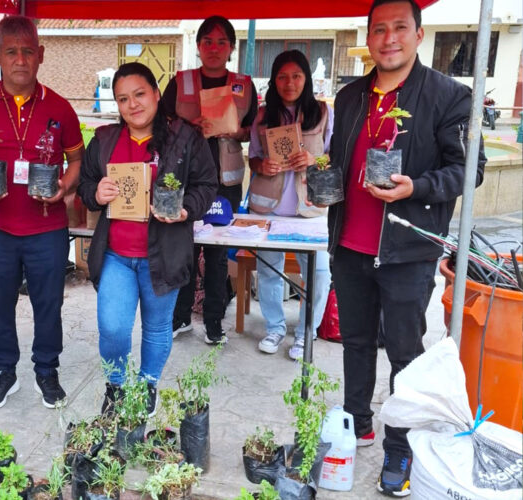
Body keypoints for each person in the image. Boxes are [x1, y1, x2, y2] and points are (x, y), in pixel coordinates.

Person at [327, 0, 485, 496]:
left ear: (419, 34)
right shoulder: (351, 96)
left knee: (403, 352)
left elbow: (468, 169)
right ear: (368, 38)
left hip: (407, 249)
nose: (389, 38)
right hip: (350, 244)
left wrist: (414, 187)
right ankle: (357, 423)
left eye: (400, 28)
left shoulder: (447, 96)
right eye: (379, 29)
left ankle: (400, 444)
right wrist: (322, 178)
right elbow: (340, 160)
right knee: (353, 342)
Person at [0, 16, 84, 411]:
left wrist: (66, 186)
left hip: (47, 227)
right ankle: (3, 373)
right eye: (11, 51)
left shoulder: (59, 107)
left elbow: (76, 159)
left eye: (28, 51)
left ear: (40, 55)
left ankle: (46, 370)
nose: (20, 59)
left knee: (48, 304)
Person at [78, 62, 217, 415]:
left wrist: (186, 208)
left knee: (156, 327)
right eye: (123, 99)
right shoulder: (105, 139)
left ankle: (148, 383)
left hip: (164, 254)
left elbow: (206, 186)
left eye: (140, 94)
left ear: (156, 94)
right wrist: (97, 191)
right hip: (116, 255)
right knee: (113, 327)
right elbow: (84, 185)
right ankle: (117, 385)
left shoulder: (185, 138)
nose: (133, 105)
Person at [162, 15, 258, 345]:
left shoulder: (243, 84)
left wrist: (237, 131)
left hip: (225, 182)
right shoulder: (181, 82)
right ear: (199, 46)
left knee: (217, 253)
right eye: (207, 41)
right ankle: (181, 316)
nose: (214, 48)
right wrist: (188, 126)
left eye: (221, 42)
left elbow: (255, 130)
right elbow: (162, 122)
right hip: (185, 180)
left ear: (231, 47)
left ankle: (214, 321)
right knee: (184, 248)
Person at [247, 50, 333, 361]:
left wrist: (314, 160)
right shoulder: (262, 116)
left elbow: (333, 157)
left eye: (296, 76)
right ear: (274, 80)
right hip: (268, 208)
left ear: (307, 79)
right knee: (269, 270)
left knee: (320, 272)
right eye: (282, 76)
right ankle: (275, 327)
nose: (289, 82)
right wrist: (262, 165)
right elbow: (253, 157)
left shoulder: (322, 113)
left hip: (309, 210)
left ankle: (306, 331)